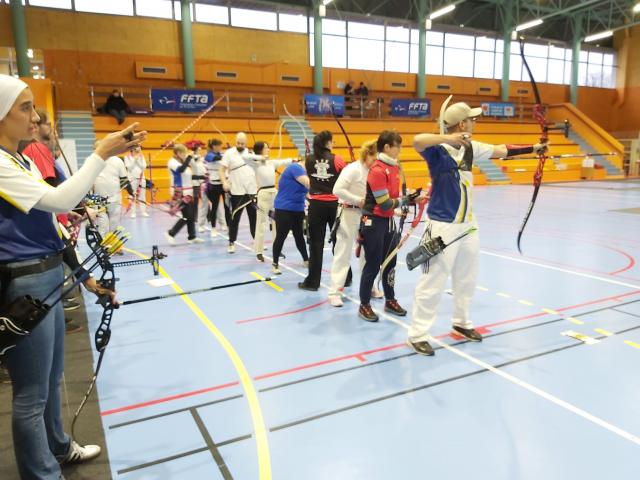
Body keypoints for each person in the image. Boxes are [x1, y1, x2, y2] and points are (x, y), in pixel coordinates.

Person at [0, 74, 145, 480]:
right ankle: (42, 473)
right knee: (31, 395)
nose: (34, 117)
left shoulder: (22, 160)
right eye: (25, 108)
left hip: (47, 275)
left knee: (50, 380)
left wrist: (87, 279)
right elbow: (60, 199)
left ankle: (59, 448)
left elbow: (53, 224)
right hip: (24, 285)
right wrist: (101, 152)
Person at [408, 101, 547, 356]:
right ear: (462, 123)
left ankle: (461, 323)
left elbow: (502, 150)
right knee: (433, 282)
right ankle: (417, 334)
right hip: (442, 227)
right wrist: (448, 137)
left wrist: (534, 148)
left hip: (468, 226)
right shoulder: (437, 150)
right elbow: (417, 140)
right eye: (471, 119)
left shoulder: (470, 147)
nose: (474, 123)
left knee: (466, 279)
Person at [358, 130, 427, 322]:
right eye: (398, 146)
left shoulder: (394, 167)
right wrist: (408, 200)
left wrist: (413, 199)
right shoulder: (377, 170)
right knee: (373, 265)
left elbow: (395, 199)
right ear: (387, 147)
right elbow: (385, 203)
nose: (400, 150)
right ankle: (364, 305)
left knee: (390, 263)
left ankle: (390, 300)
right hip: (373, 222)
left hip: (387, 222)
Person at [328, 140, 380, 307]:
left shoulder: (375, 171)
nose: (375, 162)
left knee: (369, 253)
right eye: (373, 158)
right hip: (348, 212)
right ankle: (335, 292)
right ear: (366, 154)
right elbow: (337, 190)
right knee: (343, 253)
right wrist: (358, 200)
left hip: (367, 215)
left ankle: (369, 287)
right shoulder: (352, 169)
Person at [298, 131, 345, 291]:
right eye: (332, 141)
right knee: (339, 243)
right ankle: (345, 278)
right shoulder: (337, 159)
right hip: (334, 205)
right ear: (328, 143)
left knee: (315, 244)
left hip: (316, 206)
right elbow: (346, 177)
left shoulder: (309, 159)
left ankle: (312, 282)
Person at [244, 141, 294, 262]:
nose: (268, 150)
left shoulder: (271, 163)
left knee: (277, 222)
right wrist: (259, 157)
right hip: (263, 194)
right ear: (260, 150)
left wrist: (294, 160)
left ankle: (277, 249)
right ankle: (259, 251)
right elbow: (244, 157)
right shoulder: (256, 164)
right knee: (261, 223)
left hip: (274, 194)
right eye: (266, 148)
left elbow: (285, 161)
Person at [219, 132, 257, 253]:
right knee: (234, 218)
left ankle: (257, 242)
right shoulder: (229, 153)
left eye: (242, 143)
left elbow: (257, 169)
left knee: (254, 218)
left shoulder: (251, 154)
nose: (240, 145)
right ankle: (231, 242)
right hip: (236, 191)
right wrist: (224, 182)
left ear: (246, 143)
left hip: (251, 191)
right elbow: (222, 170)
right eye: (238, 143)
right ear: (235, 141)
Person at [271, 161, 310, 275]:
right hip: (284, 208)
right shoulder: (295, 168)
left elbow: (308, 193)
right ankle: (275, 264)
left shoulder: (306, 173)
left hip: (298, 209)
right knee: (281, 236)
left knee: (299, 236)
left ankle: (306, 260)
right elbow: (309, 184)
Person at [93, 142, 133, 238]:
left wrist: (131, 192)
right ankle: (102, 245)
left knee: (114, 227)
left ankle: (112, 244)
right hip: (98, 201)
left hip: (115, 200)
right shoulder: (92, 162)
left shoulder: (117, 161)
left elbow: (124, 180)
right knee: (102, 226)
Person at [165, 144, 203, 245]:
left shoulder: (183, 162)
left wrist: (202, 178)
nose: (185, 155)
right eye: (183, 153)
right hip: (179, 192)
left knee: (191, 215)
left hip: (188, 192)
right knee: (187, 215)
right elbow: (181, 170)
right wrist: (189, 157)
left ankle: (192, 237)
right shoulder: (172, 162)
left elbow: (190, 175)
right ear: (178, 153)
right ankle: (170, 233)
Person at [204, 138, 230, 236]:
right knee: (214, 207)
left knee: (227, 206)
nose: (220, 147)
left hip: (224, 183)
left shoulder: (222, 154)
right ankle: (213, 228)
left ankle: (229, 226)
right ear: (214, 146)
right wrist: (228, 155)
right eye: (219, 145)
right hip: (214, 185)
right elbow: (215, 158)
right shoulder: (208, 155)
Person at [124, 144, 148, 218]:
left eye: (140, 147)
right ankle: (133, 212)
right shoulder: (127, 157)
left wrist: (138, 160)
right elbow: (129, 167)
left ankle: (143, 212)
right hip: (132, 179)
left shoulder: (141, 156)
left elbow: (144, 167)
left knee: (142, 195)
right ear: (133, 148)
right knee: (132, 195)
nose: (139, 148)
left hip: (141, 179)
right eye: (138, 147)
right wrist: (135, 159)